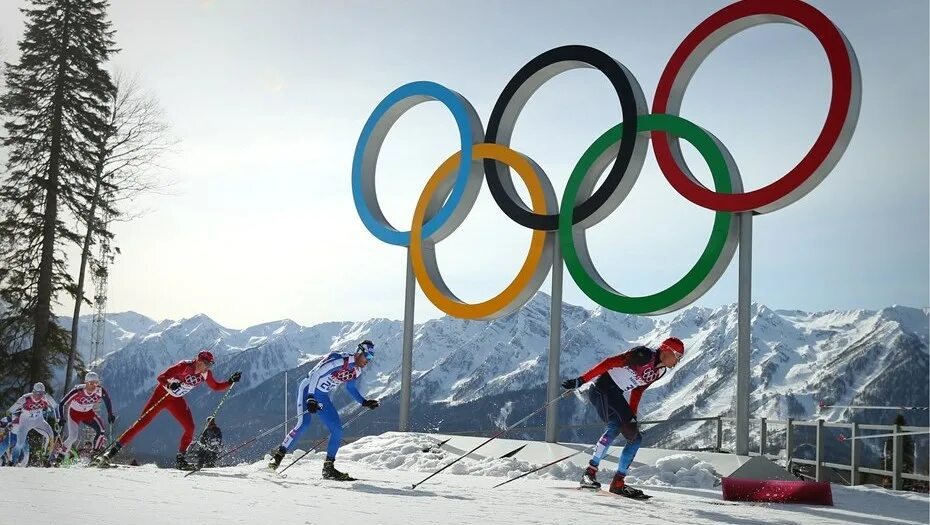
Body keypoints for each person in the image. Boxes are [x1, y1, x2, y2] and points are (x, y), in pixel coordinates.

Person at [561, 337, 685, 498]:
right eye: (677, 355)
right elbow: (609, 363)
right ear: (666, 350)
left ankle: (611, 480)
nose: (678, 360)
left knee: (632, 436)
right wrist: (582, 380)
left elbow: (638, 390)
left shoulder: (660, 372)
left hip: (615, 395)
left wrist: (632, 414)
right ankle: (594, 475)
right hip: (601, 389)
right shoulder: (644, 355)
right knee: (622, 430)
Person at [95, 350, 241, 470]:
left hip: (176, 401)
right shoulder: (183, 366)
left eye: (210, 364)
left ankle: (181, 459)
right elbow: (161, 377)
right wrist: (169, 385)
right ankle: (110, 453)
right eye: (207, 364)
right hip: (161, 396)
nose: (208, 367)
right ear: (200, 361)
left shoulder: (205, 374)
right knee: (141, 423)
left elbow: (215, 387)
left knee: (190, 427)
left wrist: (230, 381)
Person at [267, 340, 380, 480]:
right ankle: (277, 459)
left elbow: (350, 388)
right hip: (308, 389)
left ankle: (328, 468)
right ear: (359, 352)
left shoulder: (356, 370)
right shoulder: (340, 360)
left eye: (371, 358)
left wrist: (364, 402)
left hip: (322, 396)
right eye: (367, 356)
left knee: (337, 430)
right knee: (304, 424)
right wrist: (310, 397)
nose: (368, 361)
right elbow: (316, 375)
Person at [52, 371, 115, 464]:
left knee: (101, 430)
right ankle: (59, 458)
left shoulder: (99, 390)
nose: (94, 386)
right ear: (86, 383)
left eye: (96, 383)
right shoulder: (78, 391)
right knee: (73, 437)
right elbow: (62, 403)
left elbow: (107, 400)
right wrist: (61, 418)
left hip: (88, 413)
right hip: (74, 414)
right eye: (91, 383)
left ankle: (95, 453)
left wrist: (110, 414)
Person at [8, 382, 58, 467]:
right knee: (20, 443)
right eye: (38, 393)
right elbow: (10, 411)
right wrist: (10, 421)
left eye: (42, 393)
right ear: (33, 391)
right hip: (25, 423)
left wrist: (58, 419)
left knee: (50, 435)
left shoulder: (46, 397)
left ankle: (46, 458)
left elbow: (56, 407)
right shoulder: (25, 399)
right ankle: (13, 461)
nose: (39, 396)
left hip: (39, 421)